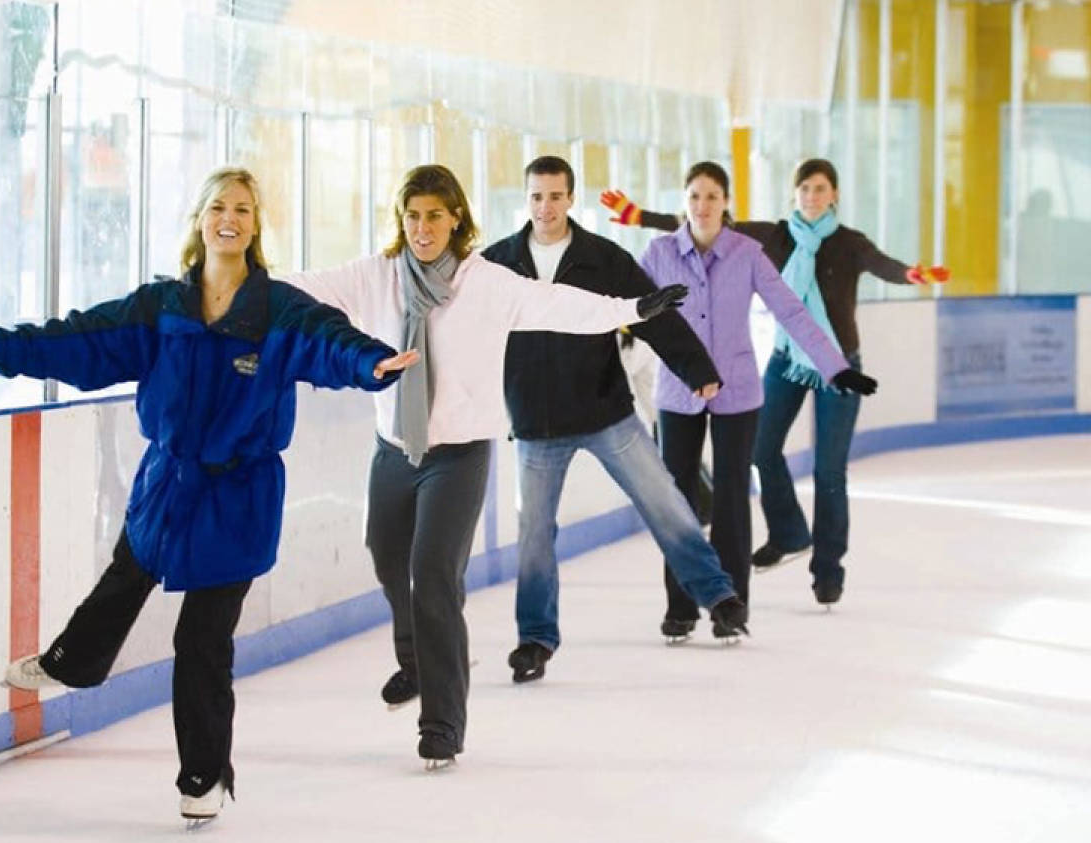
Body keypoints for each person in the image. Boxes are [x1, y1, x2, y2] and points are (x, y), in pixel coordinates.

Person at [0, 167, 416, 824]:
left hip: (240, 495)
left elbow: (327, 341)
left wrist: (371, 363)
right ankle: (72, 663)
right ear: (199, 219)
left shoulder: (277, 308)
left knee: (202, 641)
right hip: (169, 480)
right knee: (128, 568)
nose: (231, 218)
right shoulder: (162, 308)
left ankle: (203, 775)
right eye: (219, 206)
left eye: (244, 209)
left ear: (255, 225)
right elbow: (82, 340)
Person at [286, 164, 688, 766]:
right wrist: (223, 278)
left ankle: (442, 723)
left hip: (460, 454)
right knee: (386, 557)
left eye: (435, 216)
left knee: (433, 575)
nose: (423, 228)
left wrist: (631, 308)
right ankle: (416, 661)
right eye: (413, 216)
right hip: (395, 448)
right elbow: (299, 287)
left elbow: (557, 304)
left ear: (456, 220)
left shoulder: (485, 283)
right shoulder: (377, 276)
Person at [603, 156, 943, 606]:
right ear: (794, 194)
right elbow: (699, 221)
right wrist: (639, 218)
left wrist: (909, 277)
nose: (812, 197)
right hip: (777, 362)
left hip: (831, 360)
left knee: (827, 470)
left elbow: (876, 267)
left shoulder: (845, 243)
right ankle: (783, 536)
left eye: (820, 189)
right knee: (753, 456)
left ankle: (824, 570)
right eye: (805, 189)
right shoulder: (774, 235)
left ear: (834, 195)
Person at [483, 155, 746, 681]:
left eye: (555, 196)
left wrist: (696, 367)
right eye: (537, 196)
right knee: (534, 535)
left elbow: (652, 313)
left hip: (605, 410)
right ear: (526, 199)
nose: (545, 206)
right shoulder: (497, 264)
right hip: (535, 422)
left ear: (570, 198)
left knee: (665, 499)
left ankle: (717, 595)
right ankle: (535, 639)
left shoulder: (602, 257)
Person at [631, 161, 877, 639]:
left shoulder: (746, 253)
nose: (703, 206)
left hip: (737, 391)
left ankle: (731, 606)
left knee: (730, 499)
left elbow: (791, 310)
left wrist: (836, 366)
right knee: (676, 501)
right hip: (678, 392)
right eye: (695, 196)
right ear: (685, 201)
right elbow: (626, 306)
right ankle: (680, 606)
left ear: (727, 204)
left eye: (712, 197)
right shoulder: (659, 252)